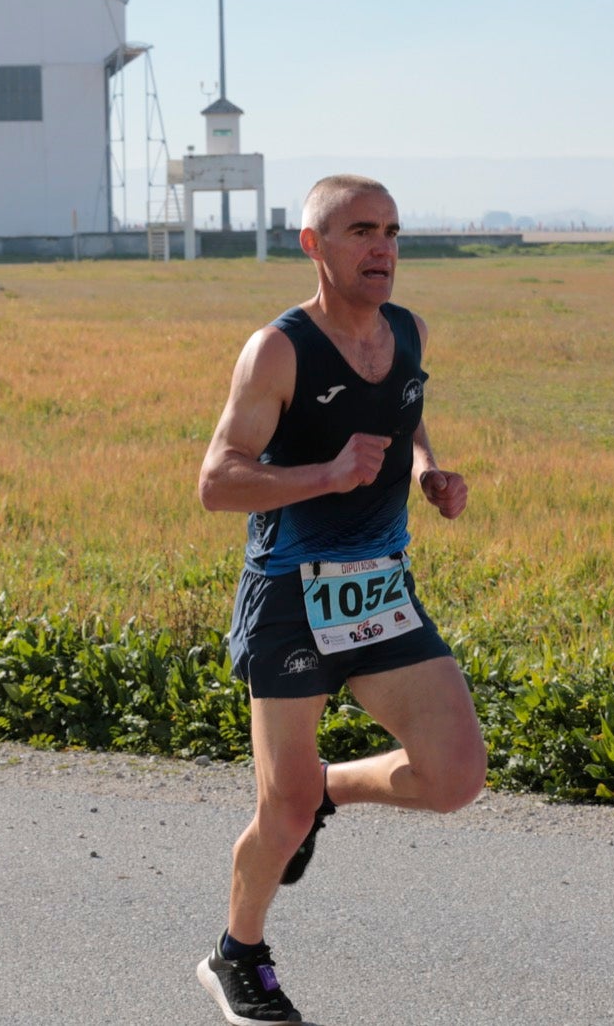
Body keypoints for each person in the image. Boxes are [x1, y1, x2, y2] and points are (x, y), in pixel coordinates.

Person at [194, 175, 488, 1025]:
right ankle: (237, 953)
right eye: (361, 231)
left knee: (456, 776)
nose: (382, 248)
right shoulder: (278, 350)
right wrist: (324, 476)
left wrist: (426, 469)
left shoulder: (407, 331)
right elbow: (217, 482)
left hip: (380, 588)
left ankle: (330, 788)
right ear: (314, 245)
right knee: (280, 809)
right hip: (290, 596)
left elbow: (405, 413)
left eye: (392, 231)